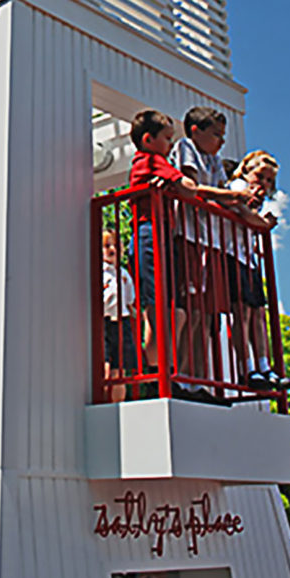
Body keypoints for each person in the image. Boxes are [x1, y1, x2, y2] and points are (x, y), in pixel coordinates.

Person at [168, 107, 248, 393]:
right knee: (189, 310)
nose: (221, 142)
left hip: (211, 242)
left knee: (206, 314)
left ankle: (198, 380)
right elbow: (193, 189)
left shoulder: (214, 159)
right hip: (189, 237)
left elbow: (223, 194)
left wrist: (243, 205)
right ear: (195, 131)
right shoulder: (185, 147)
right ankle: (180, 375)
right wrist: (230, 196)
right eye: (216, 134)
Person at [128, 110, 197, 376]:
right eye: (168, 139)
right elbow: (188, 185)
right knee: (156, 307)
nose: (171, 145)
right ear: (148, 139)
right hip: (149, 233)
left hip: (158, 234)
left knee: (171, 310)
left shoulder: (154, 162)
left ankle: (164, 370)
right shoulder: (150, 160)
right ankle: (159, 375)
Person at [226, 150, 290, 390]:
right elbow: (244, 213)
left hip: (248, 257)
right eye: (260, 176)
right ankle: (248, 367)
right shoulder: (238, 186)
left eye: (269, 180)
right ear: (246, 171)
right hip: (232, 254)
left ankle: (264, 366)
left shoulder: (257, 195)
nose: (263, 184)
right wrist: (263, 224)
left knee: (258, 313)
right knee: (241, 311)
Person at [102, 228, 138, 402]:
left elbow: (130, 298)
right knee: (105, 366)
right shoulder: (100, 272)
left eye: (115, 246)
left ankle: (119, 403)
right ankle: (104, 399)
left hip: (121, 320)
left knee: (121, 368)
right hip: (104, 319)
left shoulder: (123, 274)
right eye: (107, 246)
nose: (112, 249)